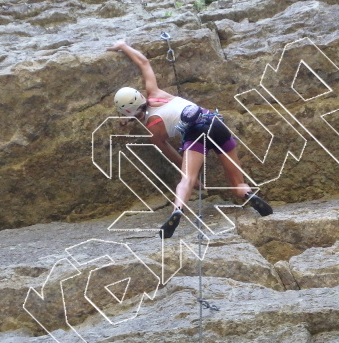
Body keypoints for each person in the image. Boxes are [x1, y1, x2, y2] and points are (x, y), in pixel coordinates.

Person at [107, 39, 272, 239]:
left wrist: (193, 179)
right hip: (214, 123)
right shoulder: (156, 93)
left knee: (186, 178)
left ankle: (177, 209)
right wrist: (123, 46)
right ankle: (245, 193)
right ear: (140, 96)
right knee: (237, 182)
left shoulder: (153, 132)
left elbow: (172, 156)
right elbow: (144, 63)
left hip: (194, 134)